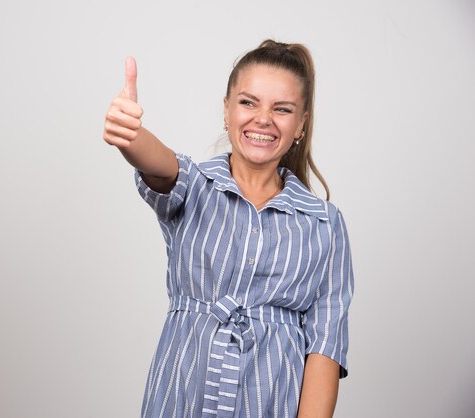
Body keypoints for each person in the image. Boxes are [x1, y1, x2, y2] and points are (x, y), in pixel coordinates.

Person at [103, 40, 354, 418]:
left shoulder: (325, 225)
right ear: (226, 109)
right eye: (248, 102)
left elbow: (324, 350)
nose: (263, 119)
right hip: (180, 398)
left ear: (301, 123)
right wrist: (131, 134)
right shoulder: (195, 186)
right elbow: (161, 166)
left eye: (282, 109)